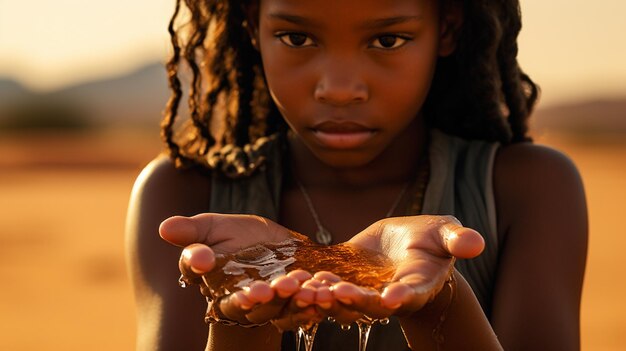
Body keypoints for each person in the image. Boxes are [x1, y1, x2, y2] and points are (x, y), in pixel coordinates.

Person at [125, 0, 588, 350]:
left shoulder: (526, 188)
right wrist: (241, 321)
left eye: (387, 41)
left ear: (446, 29)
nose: (340, 89)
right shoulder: (181, 194)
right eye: (296, 38)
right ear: (251, 26)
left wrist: (442, 305)